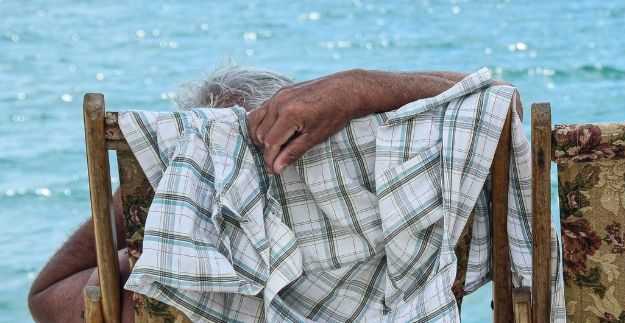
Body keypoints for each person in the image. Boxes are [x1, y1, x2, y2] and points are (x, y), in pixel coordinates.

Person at [27, 65, 520, 322]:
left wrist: (150, 204)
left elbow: (46, 298)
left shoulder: (171, 284)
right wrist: (359, 90)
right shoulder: (403, 217)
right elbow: (501, 102)